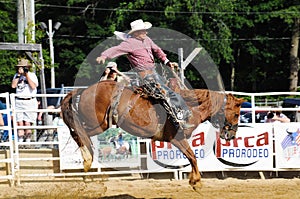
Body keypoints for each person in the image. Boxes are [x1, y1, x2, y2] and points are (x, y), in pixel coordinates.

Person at [96, 19, 193, 130]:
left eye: (145, 31)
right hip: (145, 77)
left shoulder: (147, 40)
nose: (146, 33)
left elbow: (157, 50)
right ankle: (178, 118)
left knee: (171, 91)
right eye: (143, 31)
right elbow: (115, 49)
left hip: (154, 74)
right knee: (166, 93)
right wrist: (103, 56)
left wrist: (167, 61)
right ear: (136, 33)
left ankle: (179, 116)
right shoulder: (129, 43)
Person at [11, 58, 39, 142]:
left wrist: (26, 75)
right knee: (19, 122)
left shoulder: (32, 75)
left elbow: (33, 86)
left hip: (29, 100)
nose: (21, 69)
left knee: (27, 123)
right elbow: (13, 86)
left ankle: (28, 141)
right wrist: (19, 75)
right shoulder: (16, 75)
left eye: (23, 67)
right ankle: (20, 140)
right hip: (19, 101)